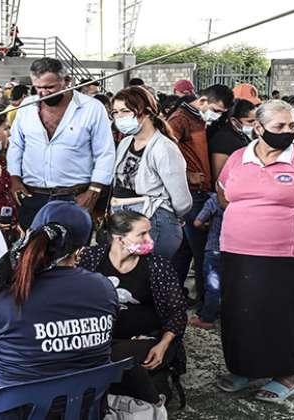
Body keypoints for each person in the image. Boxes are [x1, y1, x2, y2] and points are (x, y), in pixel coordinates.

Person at [0, 201, 118, 418]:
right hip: (81, 409)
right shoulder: (104, 288)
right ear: (81, 249)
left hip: (14, 412)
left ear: (28, 236)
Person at [215, 100, 294, 402]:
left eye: (291, 126)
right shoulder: (237, 158)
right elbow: (224, 196)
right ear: (258, 128)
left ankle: (287, 376)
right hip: (238, 251)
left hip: (291, 257)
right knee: (242, 313)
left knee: (286, 316)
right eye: (279, 126)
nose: (289, 132)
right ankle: (244, 367)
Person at [79, 210, 188, 404]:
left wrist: (163, 344)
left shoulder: (158, 266)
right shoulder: (91, 258)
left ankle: (149, 395)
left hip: (147, 340)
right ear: (119, 239)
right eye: (142, 234)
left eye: (149, 232)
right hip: (99, 338)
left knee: (115, 358)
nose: (149, 238)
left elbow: (177, 312)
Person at [8, 58, 115, 228]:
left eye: (50, 87)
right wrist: (14, 178)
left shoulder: (92, 108)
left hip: (75, 197)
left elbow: (105, 153)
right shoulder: (26, 106)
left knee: (73, 253)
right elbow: (16, 145)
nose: (44, 93)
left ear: (67, 81)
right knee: (29, 253)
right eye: (38, 87)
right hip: (32, 196)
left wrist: (93, 191)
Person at [167, 84, 233, 305]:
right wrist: (186, 174)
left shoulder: (198, 118)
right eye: (217, 110)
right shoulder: (180, 119)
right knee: (203, 250)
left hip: (199, 190)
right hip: (192, 192)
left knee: (184, 250)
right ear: (203, 101)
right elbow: (163, 152)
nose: (218, 115)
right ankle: (207, 302)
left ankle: (176, 296)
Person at [109, 86, 191, 259]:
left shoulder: (164, 148)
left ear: (146, 112)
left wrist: (170, 214)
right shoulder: (125, 143)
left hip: (154, 222)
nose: (119, 117)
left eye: (125, 111)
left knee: (148, 278)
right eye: (115, 112)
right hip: (125, 221)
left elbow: (182, 200)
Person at [190, 193, 223, 329]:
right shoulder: (244, 197)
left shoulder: (215, 199)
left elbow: (197, 222)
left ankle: (207, 318)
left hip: (214, 248)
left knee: (213, 285)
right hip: (235, 249)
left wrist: (206, 227)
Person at [207, 99, 256, 181]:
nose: (255, 125)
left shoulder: (242, 135)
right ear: (234, 121)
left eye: (256, 120)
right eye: (250, 121)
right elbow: (219, 176)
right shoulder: (222, 140)